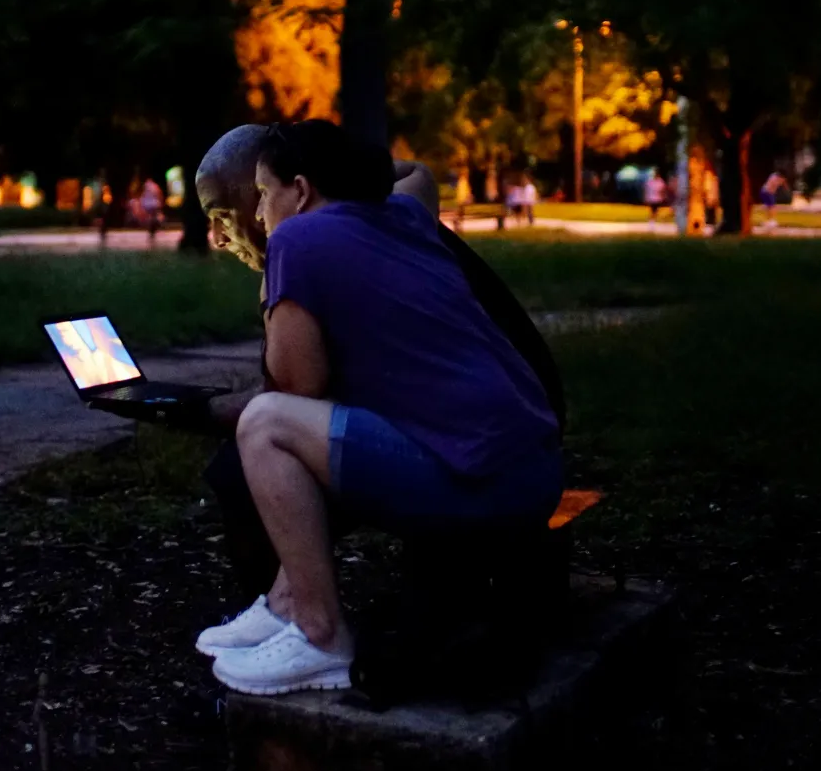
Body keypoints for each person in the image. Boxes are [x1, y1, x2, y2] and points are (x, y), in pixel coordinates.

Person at [198, 121, 561, 696]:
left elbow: (296, 387)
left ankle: (320, 636)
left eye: (264, 193)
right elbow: (416, 173)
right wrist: (357, 170)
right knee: (311, 425)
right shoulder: (407, 215)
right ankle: (284, 603)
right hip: (534, 467)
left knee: (267, 426)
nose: (260, 211)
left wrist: (274, 291)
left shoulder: (297, 240)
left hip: (479, 482)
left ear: (300, 189)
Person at [139, 176, 164, 243]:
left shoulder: (146, 185)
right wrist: (160, 202)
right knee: (152, 217)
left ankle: (151, 231)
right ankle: (152, 231)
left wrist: (142, 202)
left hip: (148, 204)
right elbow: (159, 194)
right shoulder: (155, 186)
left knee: (150, 218)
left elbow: (143, 194)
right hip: (153, 203)